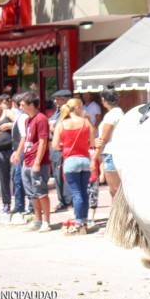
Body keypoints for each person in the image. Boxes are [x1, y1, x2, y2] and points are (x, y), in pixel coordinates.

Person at [52, 98, 95, 234]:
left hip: (70, 161)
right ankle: (84, 221)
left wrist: (65, 145)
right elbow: (92, 143)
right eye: (81, 107)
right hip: (85, 160)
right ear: (77, 107)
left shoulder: (61, 124)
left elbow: (54, 145)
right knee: (84, 192)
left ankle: (78, 222)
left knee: (76, 193)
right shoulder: (86, 123)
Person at [18, 92, 52, 232]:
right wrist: (23, 157)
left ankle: (46, 221)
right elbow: (27, 140)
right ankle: (37, 220)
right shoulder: (28, 120)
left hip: (39, 162)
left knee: (41, 192)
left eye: (22, 104)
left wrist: (37, 162)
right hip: (28, 160)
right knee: (32, 193)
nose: (20, 107)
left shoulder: (41, 119)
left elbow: (43, 142)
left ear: (31, 105)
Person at [93, 86, 123, 204]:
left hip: (111, 153)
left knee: (114, 190)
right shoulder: (119, 112)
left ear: (104, 100)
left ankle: (118, 218)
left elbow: (103, 139)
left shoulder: (111, 115)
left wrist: (94, 157)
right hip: (117, 152)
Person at [48, 89, 72, 212]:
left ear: (65, 99)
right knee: (57, 175)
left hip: (63, 147)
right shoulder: (57, 112)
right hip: (54, 147)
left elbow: (62, 128)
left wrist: (53, 128)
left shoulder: (68, 112)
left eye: (58, 99)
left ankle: (67, 200)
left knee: (64, 174)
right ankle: (61, 199)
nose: (55, 101)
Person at [10, 93, 30, 214]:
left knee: (21, 178)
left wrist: (18, 152)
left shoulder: (22, 117)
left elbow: (23, 136)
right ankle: (19, 204)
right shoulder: (19, 117)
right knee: (18, 179)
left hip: (23, 151)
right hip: (19, 150)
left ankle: (22, 205)